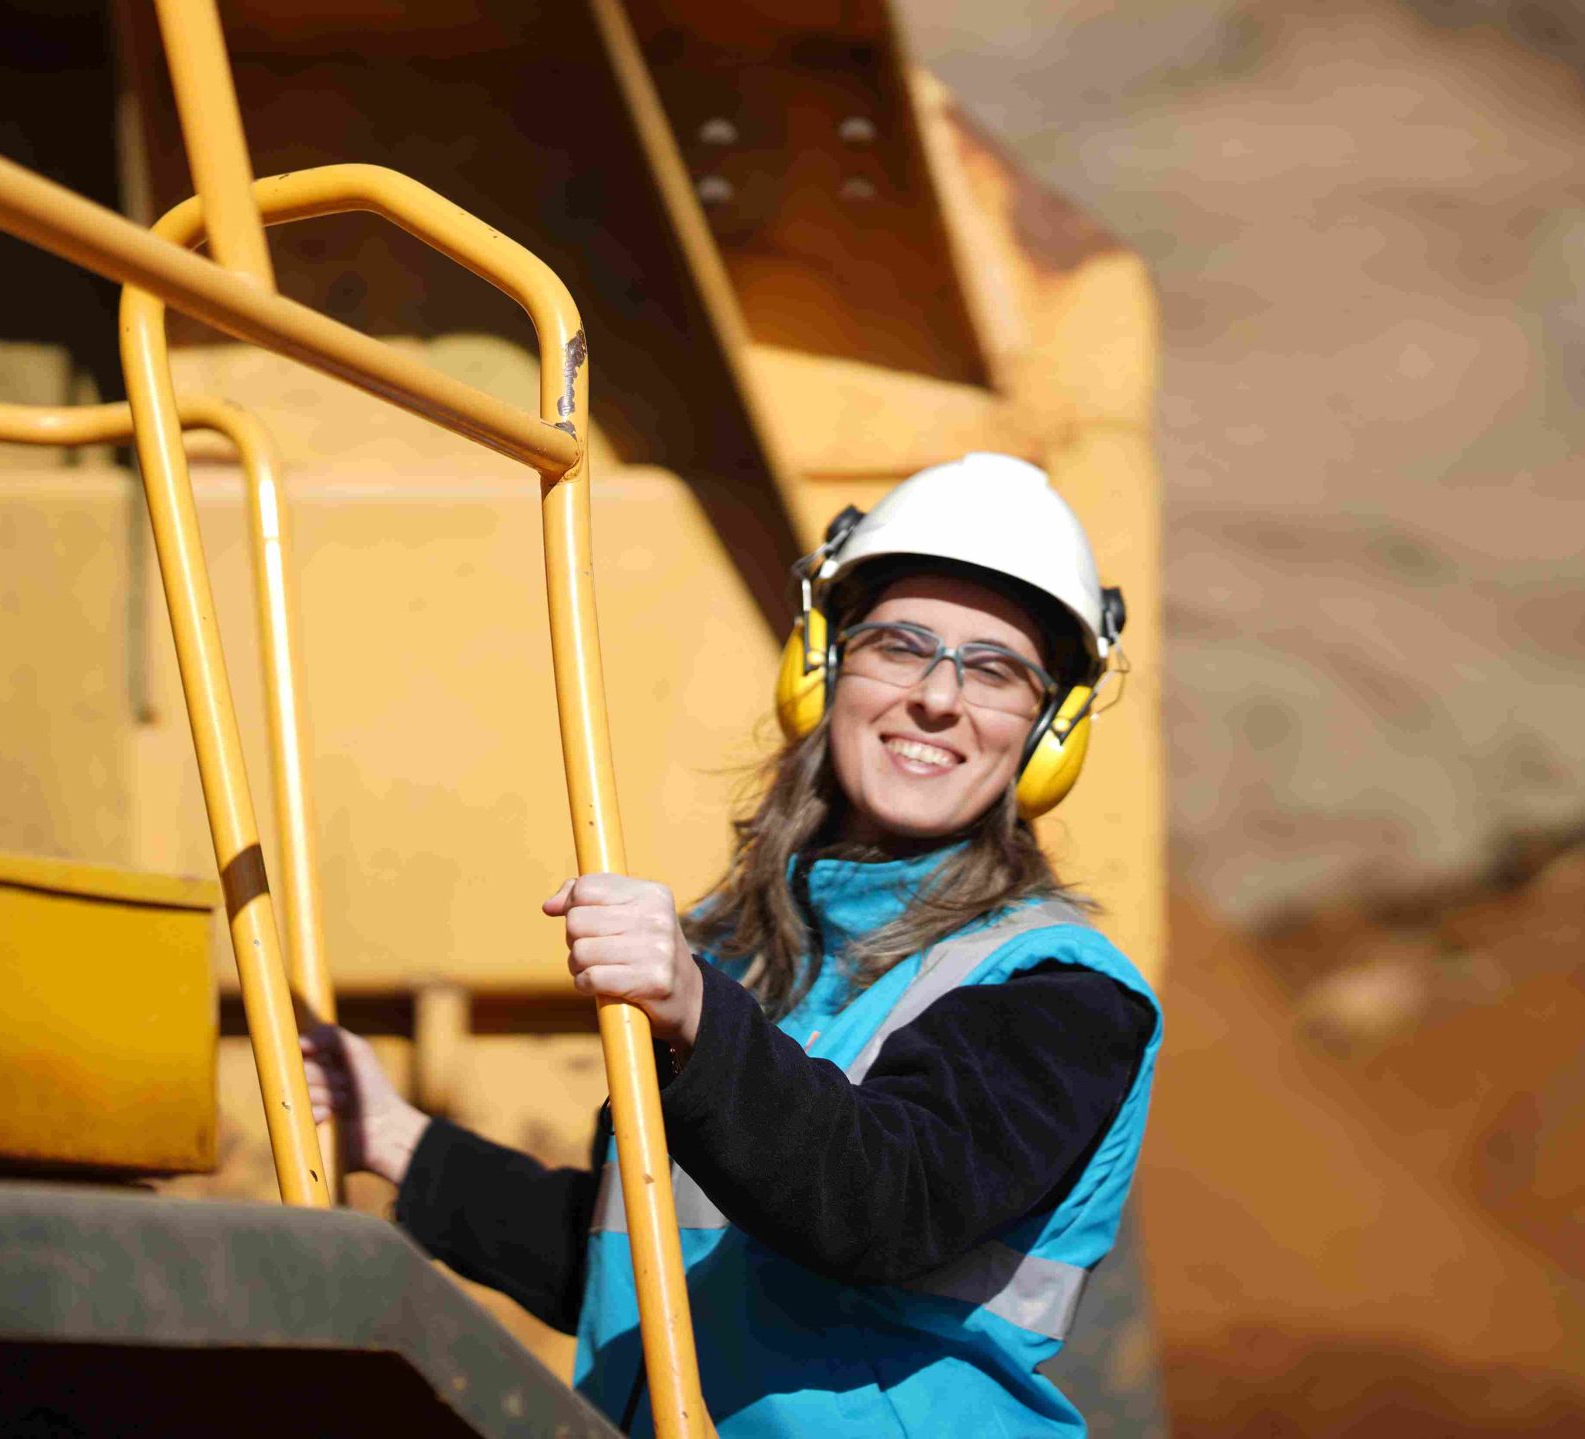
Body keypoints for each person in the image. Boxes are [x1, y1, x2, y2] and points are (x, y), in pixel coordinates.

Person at [302, 453, 1161, 1438]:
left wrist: (700, 1015)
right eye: (899, 645)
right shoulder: (739, 955)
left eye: (995, 669)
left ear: (1052, 729)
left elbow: (880, 1202)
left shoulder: (1057, 993)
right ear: (822, 667)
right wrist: (396, 1137)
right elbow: (641, 1276)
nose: (937, 696)